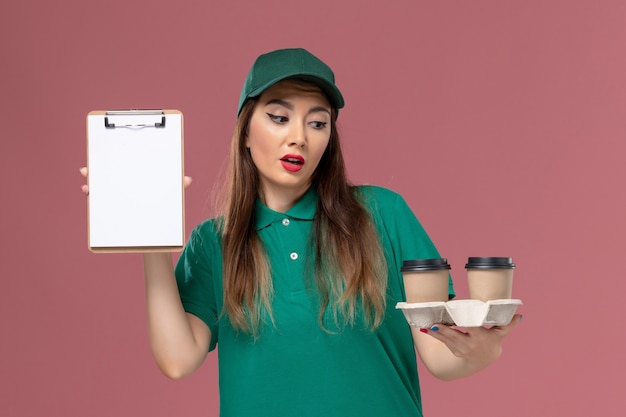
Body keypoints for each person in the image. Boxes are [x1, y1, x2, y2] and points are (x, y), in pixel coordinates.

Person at [81, 48, 521, 417]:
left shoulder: (383, 213)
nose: (299, 138)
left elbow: (441, 354)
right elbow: (177, 360)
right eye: (278, 117)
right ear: (245, 132)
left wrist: (484, 350)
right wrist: (152, 236)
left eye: (317, 122)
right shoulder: (213, 243)